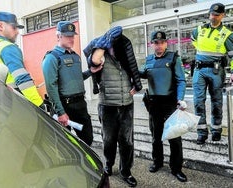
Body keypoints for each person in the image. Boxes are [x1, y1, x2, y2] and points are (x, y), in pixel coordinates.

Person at [84, 26, 142, 187]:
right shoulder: (101, 53)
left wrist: (137, 86)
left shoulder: (125, 54)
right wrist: (104, 42)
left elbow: (134, 70)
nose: (114, 45)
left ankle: (126, 171)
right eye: (112, 42)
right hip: (107, 105)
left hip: (126, 105)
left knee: (127, 141)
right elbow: (94, 61)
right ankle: (109, 164)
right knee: (108, 140)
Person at [41, 21, 102, 146]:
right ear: (58, 36)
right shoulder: (51, 58)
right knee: (64, 143)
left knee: (87, 138)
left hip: (80, 105)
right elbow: (51, 87)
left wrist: (90, 72)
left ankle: (84, 164)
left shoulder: (75, 57)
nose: (71, 39)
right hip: (64, 106)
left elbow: (77, 78)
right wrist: (61, 112)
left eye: (72, 36)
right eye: (68, 36)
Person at [139, 31, 187, 182]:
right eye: (156, 43)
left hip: (170, 103)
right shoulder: (148, 60)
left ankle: (176, 168)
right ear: (152, 44)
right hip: (154, 103)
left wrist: (180, 99)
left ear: (166, 43)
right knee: (156, 137)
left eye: (162, 42)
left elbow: (181, 80)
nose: (159, 45)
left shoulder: (173, 58)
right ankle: (157, 162)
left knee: (174, 137)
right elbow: (141, 74)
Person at [0, 11, 44, 108]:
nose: (17, 32)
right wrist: (39, 105)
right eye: (14, 27)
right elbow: (23, 80)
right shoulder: (8, 48)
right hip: (12, 106)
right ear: (1, 26)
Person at [191, 3, 233, 145]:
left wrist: (232, 72)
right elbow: (194, 41)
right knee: (198, 102)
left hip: (216, 71)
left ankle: (216, 131)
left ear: (223, 15)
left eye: (217, 15)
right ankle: (201, 133)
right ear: (208, 14)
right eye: (211, 14)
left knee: (217, 102)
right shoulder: (199, 30)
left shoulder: (227, 34)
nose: (213, 17)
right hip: (199, 70)